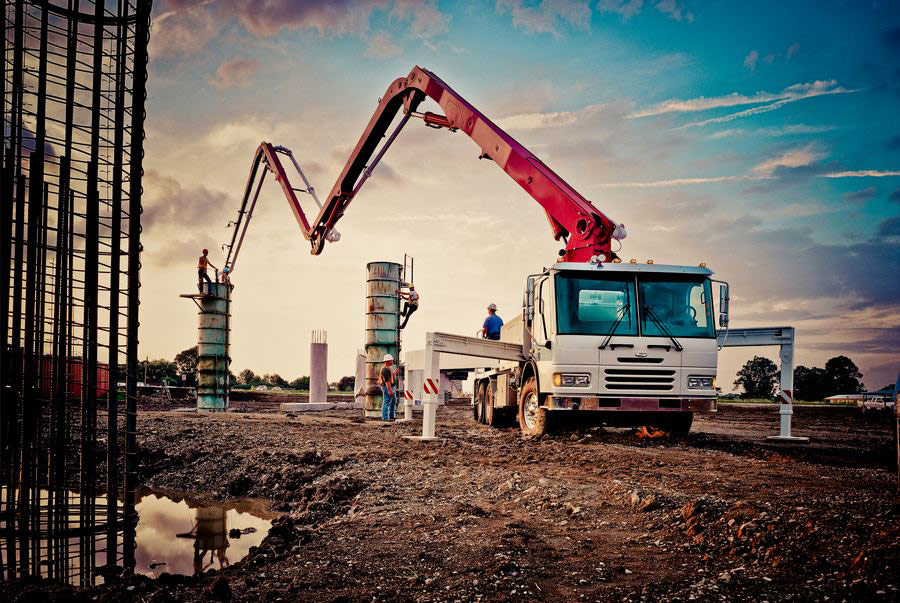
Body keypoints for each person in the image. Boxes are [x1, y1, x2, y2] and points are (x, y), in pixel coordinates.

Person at [378, 353, 396, 421]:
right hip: (387, 388)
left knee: (393, 402)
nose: (392, 361)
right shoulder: (385, 370)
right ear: (388, 361)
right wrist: (390, 391)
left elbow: (389, 377)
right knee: (387, 402)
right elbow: (387, 382)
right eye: (391, 360)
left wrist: (394, 373)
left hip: (391, 387)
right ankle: (385, 418)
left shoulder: (387, 368)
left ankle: (391, 416)